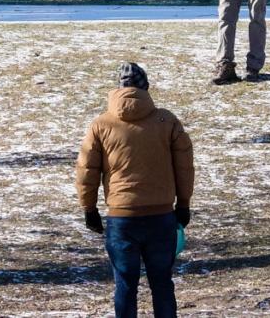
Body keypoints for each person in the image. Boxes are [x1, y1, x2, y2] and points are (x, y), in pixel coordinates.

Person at [76, 63, 195, 317]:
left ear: (118, 89)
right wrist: (183, 204)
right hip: (161, 218)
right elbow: (184, 166)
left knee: (126, 285)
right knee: (162, 284)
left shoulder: (101, 125)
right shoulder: (167, 121)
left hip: (122, 219)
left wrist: (89, 209)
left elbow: (87, 170)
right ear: (146, 88)